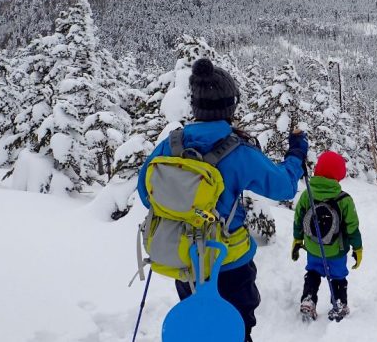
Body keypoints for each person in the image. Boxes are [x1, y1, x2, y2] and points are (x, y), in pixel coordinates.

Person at [137, 58, 308, 342]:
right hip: (230, 262)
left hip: (185, 262)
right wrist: (296, 154)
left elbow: (147, 195)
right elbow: (284, 187)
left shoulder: (172, 144)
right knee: (235, 329)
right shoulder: (238, 151)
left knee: (198, 332)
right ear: (230, 106)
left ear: (196, 105)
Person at [291, 151, 362, 321]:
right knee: (338, 277)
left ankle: (308, 300)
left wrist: (297, 240)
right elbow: (352, 227)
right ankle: (339, 304)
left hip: (313, 247)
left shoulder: (307, 194)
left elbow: (298, 219)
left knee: (313, 273)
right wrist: (357, 247)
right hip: (337, 251)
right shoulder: (344, 199)